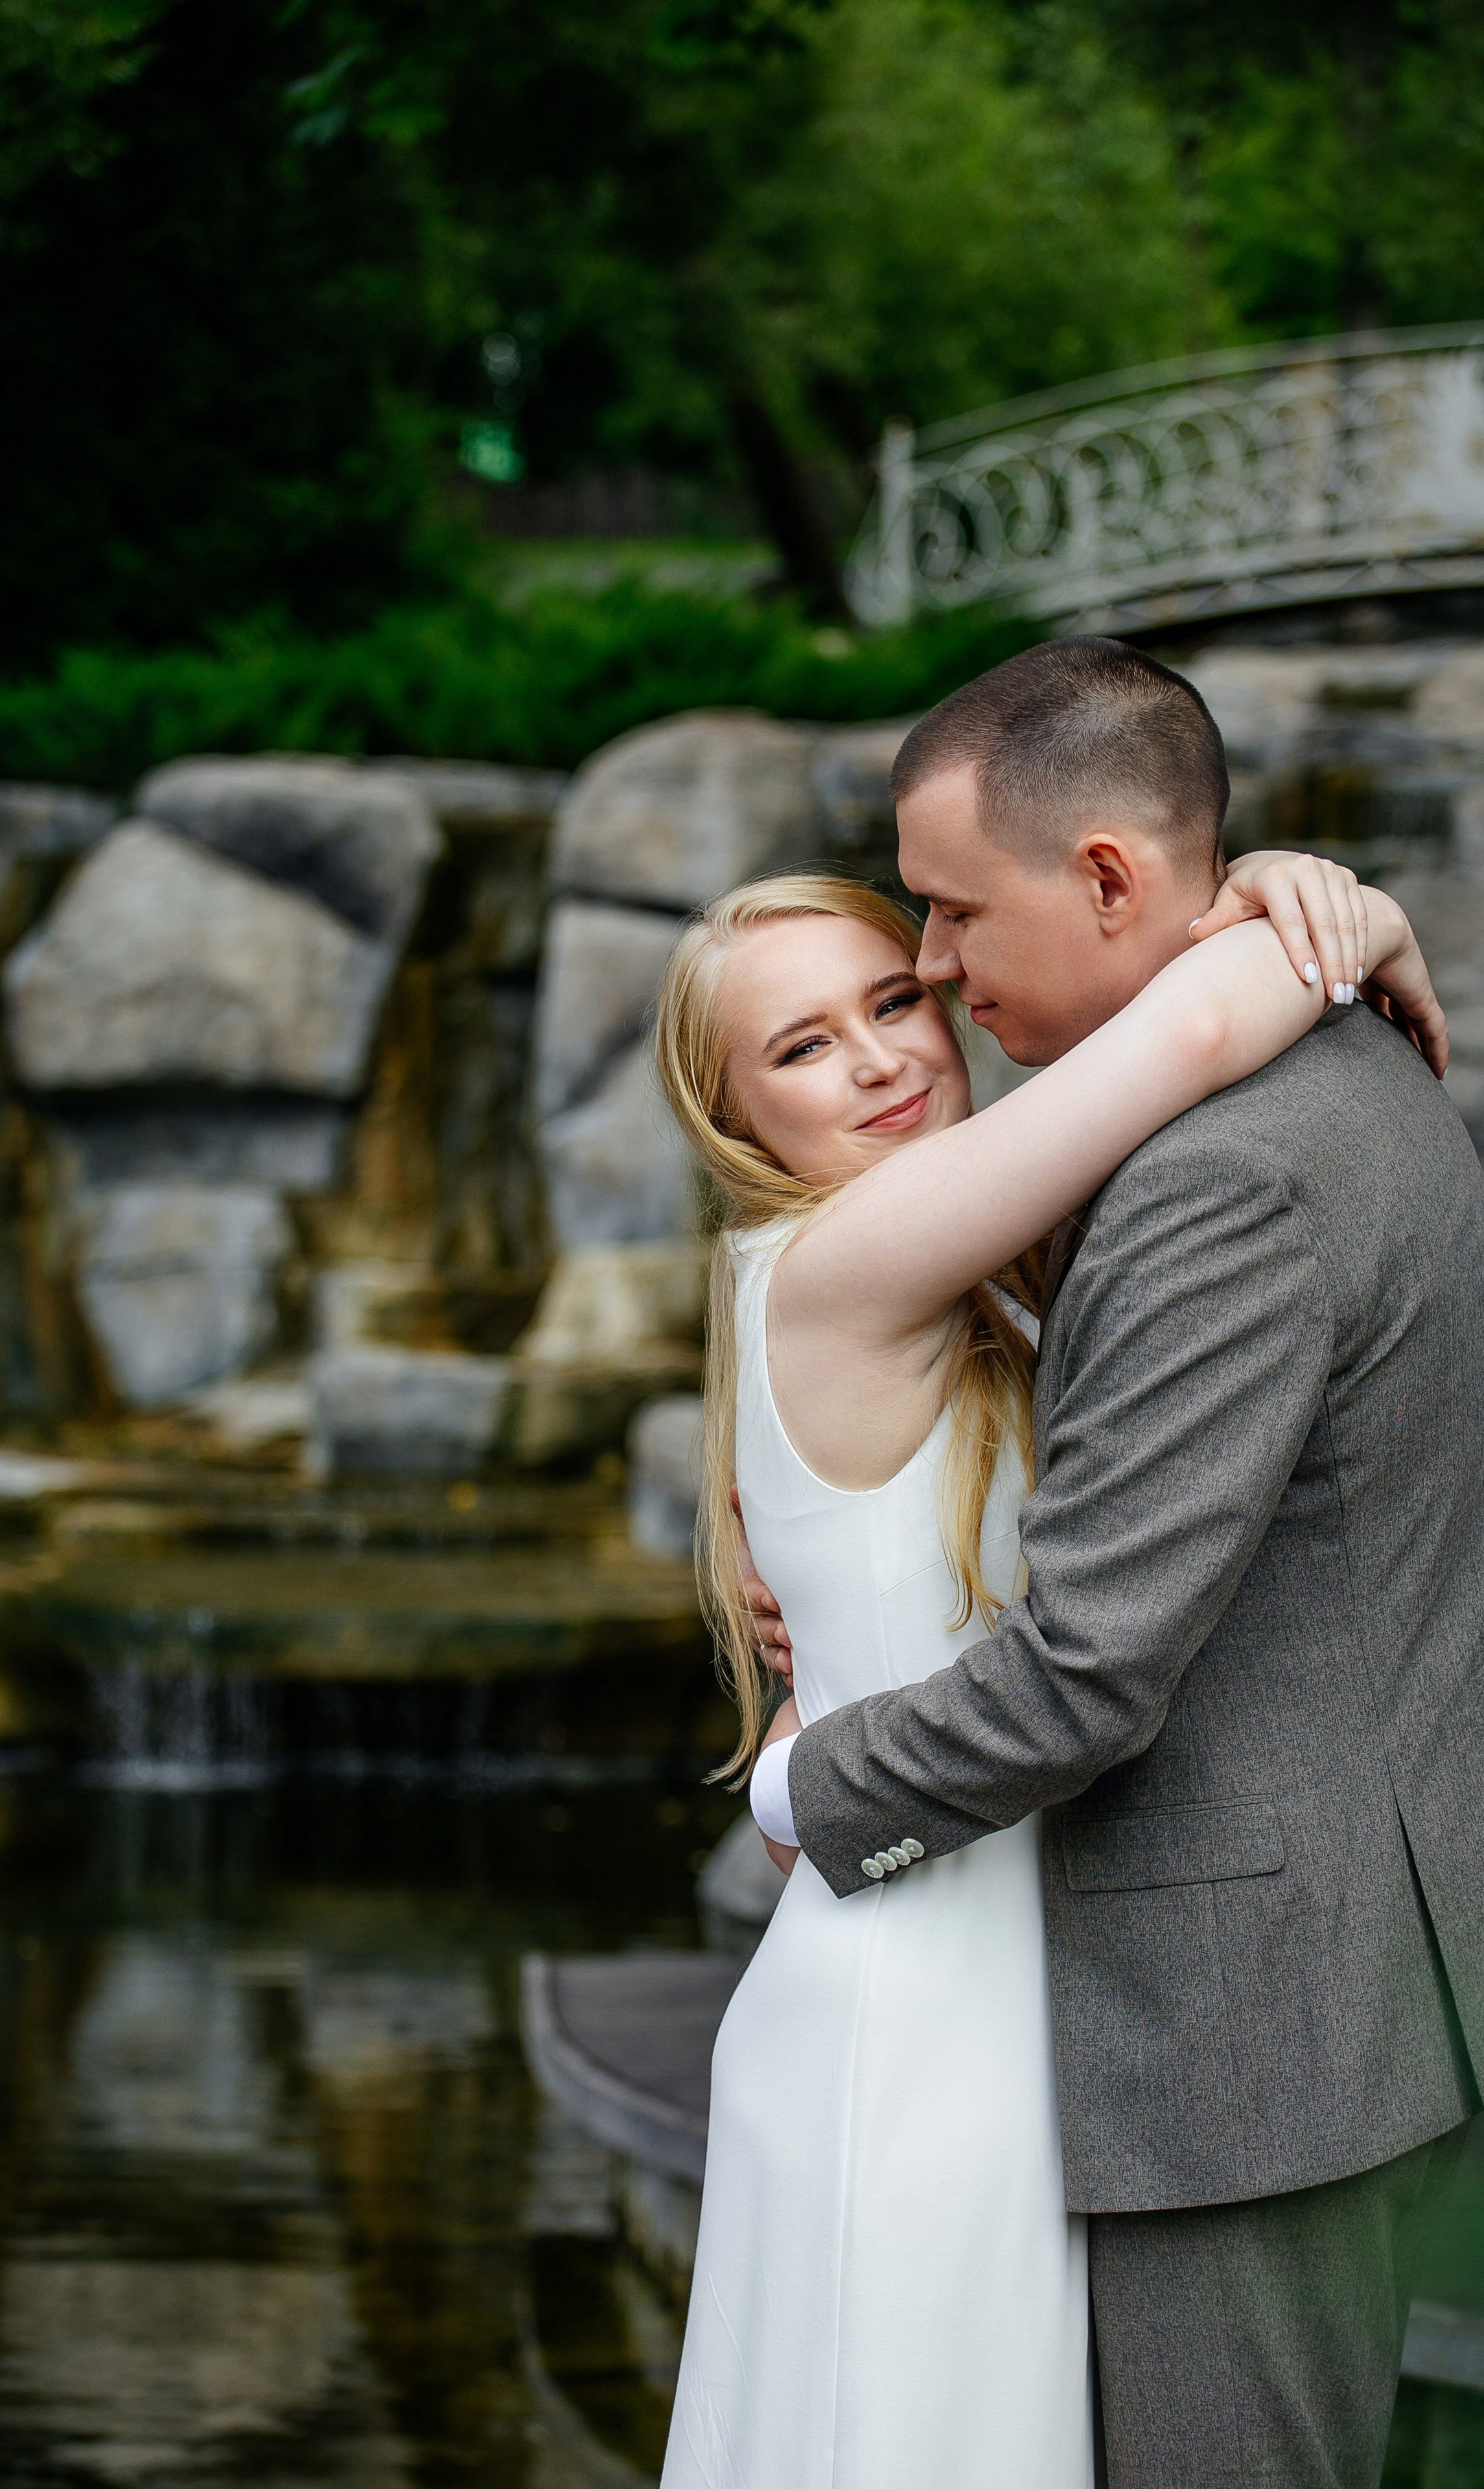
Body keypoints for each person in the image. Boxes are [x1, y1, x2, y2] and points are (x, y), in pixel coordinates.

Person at [649, 677, 1447, 2488]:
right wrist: (1336, 916)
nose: (888, 1046)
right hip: (917, 1992)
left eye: (897, 987)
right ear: (729, 1117)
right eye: (800, 1050)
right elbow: (1179, 1039)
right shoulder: (841, 1265)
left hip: (1074, 1976)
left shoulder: (1005, 1258)